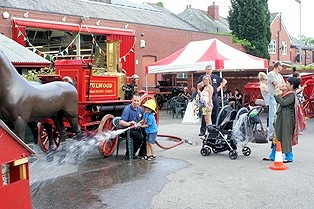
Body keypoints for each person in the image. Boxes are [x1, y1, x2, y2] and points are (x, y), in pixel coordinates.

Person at [263, 77, 301, 163]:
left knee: (285, 137)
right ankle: (272, 155)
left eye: (288, 83)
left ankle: (289, 156)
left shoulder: (291, 95)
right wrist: (278, 94)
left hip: (287, 120)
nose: (286, 84)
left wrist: (278, 95)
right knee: (277, 136)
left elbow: (283, 103)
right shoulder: (287, 93)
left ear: (292, 85)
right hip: (282, 118)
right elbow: (279, 101)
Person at [197, 65, 227, 136]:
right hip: (205, 97)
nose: (209, 70)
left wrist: (220, 87)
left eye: (210, 69)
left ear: (212, 70)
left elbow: (224, 81)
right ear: (205, 70)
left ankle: (214, 130)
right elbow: (198, 85)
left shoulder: (215, 77)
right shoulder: (202, 77)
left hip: (214, 96)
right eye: (208, 69)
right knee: (206, 115)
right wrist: (200, 91)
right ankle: (203, 130)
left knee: (215, 113)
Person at [119, 94, 146, 159]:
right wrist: (129, 123)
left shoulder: (140, 109)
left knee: (148, 134)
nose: (136, 102)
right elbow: (121, 122)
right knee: (139, 137)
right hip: (128, 130)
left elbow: (143, 119)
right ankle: (130, 153)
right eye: (135, 100)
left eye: (138, 101)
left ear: (140, 102)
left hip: (137, 128)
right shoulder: (127, 110)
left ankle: (142, 153)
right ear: (132, 100)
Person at [267, 61, 285, 141]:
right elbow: (276, 85)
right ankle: (271, 134)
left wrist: (280, 86)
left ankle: (277, 133)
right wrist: (280, 86)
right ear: (278, 66)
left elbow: (284, 86)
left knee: (278, 115)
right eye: (281, 66)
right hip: (272, 96)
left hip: (279, 96)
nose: (282, 68)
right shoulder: (271, 74)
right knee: (273, 115)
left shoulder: (280, 76)